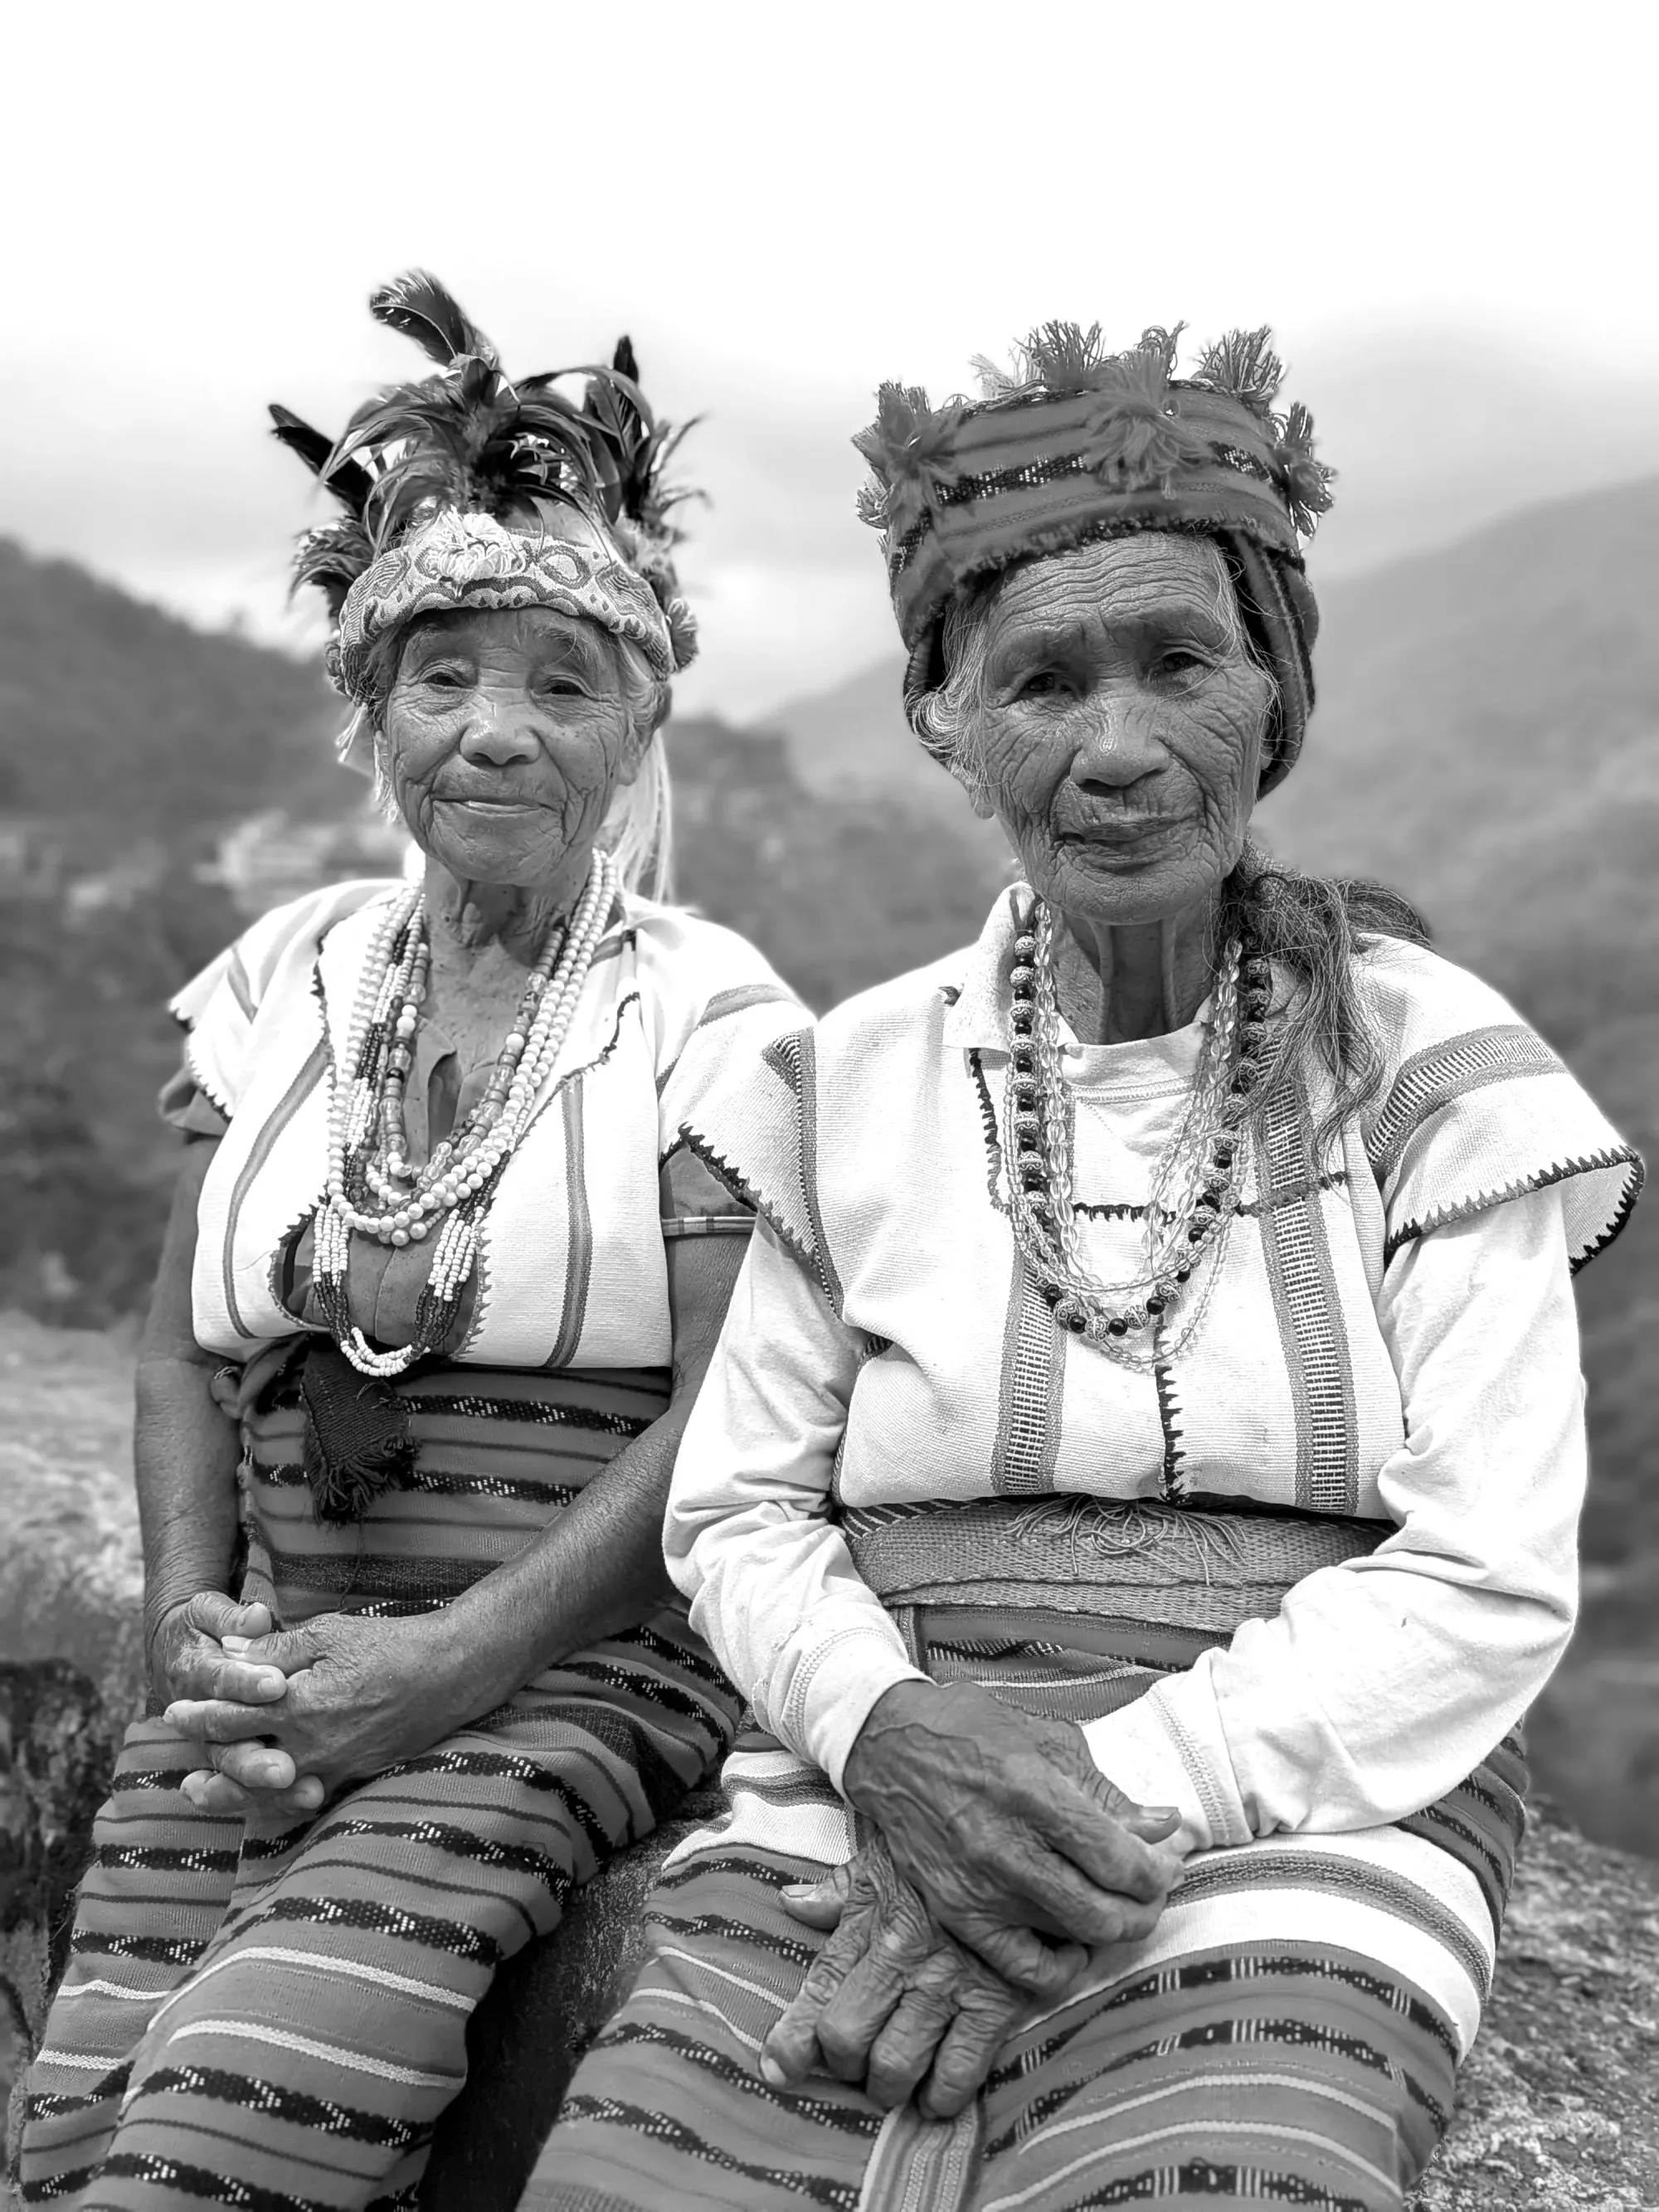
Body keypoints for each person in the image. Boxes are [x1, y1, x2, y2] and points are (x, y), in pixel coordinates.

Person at [519, 323, 1643, 2212]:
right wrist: (892, 1738)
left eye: (1179, 665)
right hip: (884, 1761)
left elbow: (1486, 1576)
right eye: (1039, 679)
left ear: (1273, 700)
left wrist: (1085, 1808)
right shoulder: (840, 1084)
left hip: (1319, 1781)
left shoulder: (1434, 1071)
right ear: (944, 723)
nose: (1116, 746)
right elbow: (736, 1514)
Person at [17, 274, 804, 2212]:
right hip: (274, 1664)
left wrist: (444, 1666)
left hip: (565, 1668)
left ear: (639, 726)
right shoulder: (281, 979)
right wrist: (196, 1619)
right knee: (82, 2117)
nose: (498, 735)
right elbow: (179, 1340)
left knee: (233, 2119)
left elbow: (730, 1417)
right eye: (443, 678)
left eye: (563, 681)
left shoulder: (712, 1021)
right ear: (372, 714)